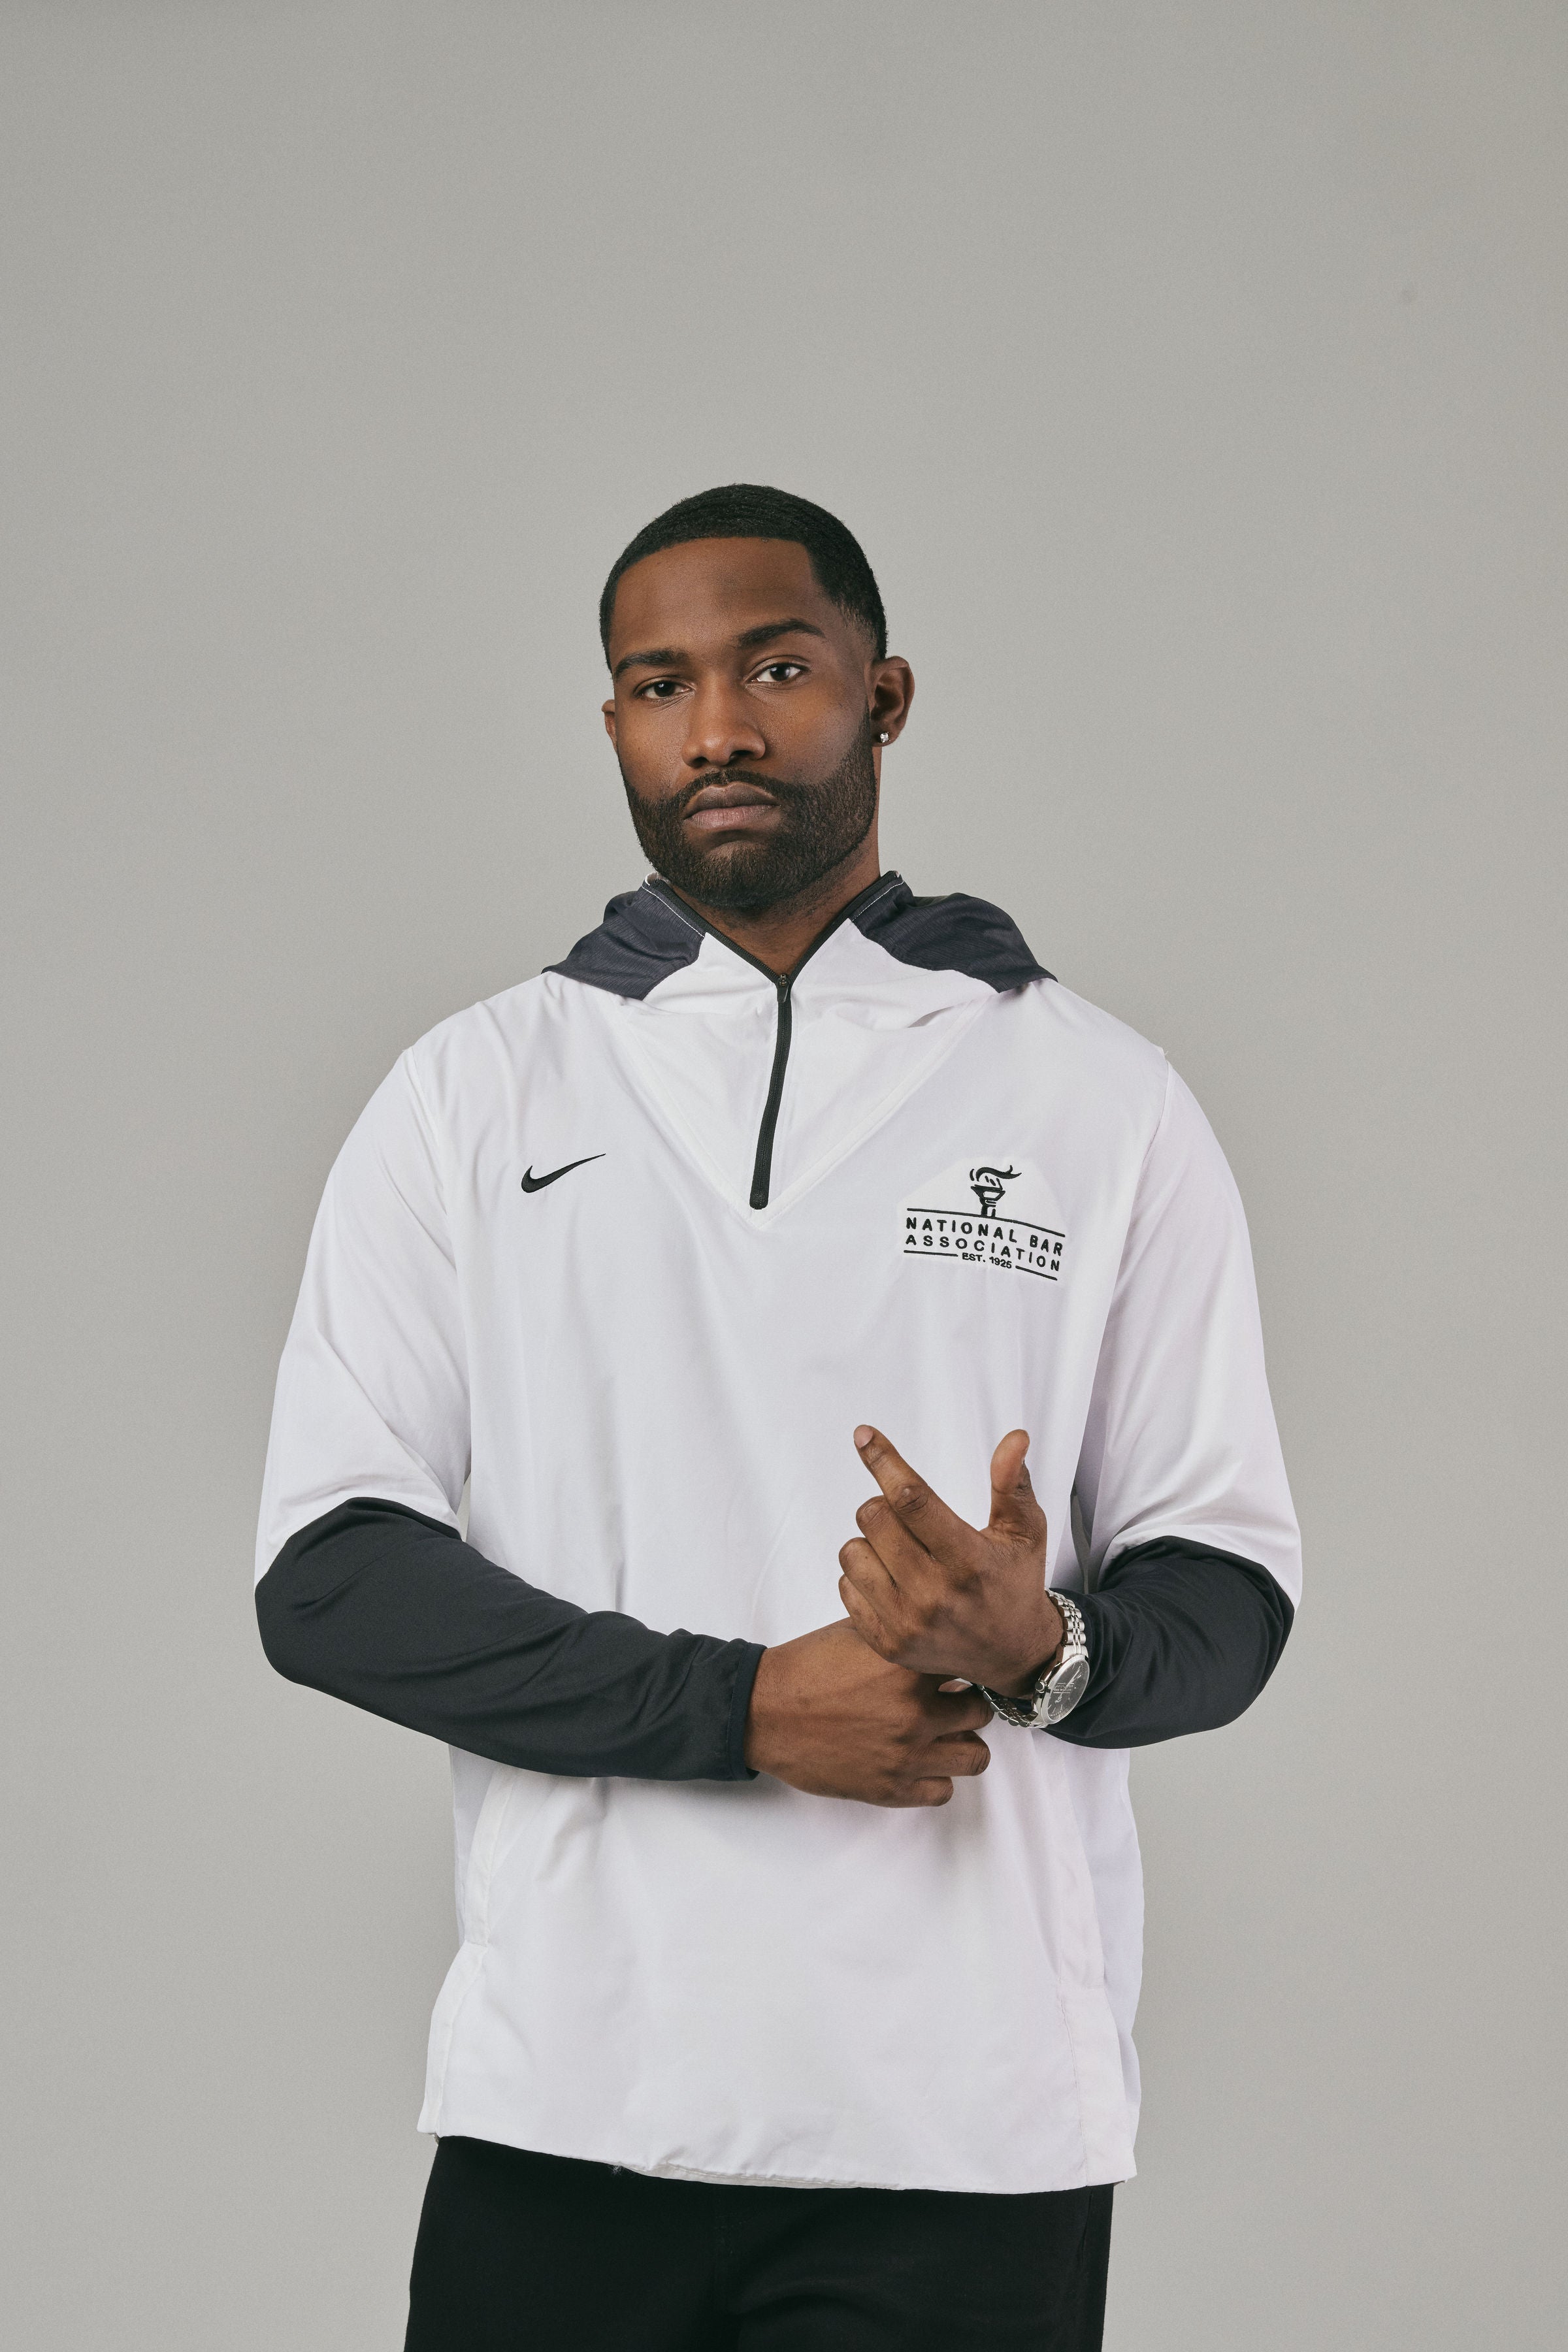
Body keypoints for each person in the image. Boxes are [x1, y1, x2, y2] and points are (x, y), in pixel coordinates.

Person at [255, 483, 1300, 2351]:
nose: (718, 728)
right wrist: (741, 1708)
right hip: (567, 2104)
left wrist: (1044, 1649)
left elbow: (1229, 1592)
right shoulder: (470, 1095)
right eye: (661, 685)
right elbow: (330, 1577)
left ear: (883, 698)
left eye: (777, 668)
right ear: (614, 726)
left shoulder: (1102, 1101)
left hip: (968, 2134)